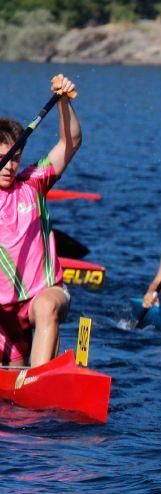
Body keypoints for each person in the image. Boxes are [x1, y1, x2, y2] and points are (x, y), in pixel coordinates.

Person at [0, 74, 80, 367]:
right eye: (2, 158)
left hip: (41, 296)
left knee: (47, 306)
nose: (10, 166)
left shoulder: (33, 183)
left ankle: (40, 378)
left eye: (15, 157)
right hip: (2, 314)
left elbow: (70, 143)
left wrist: (64, 103)